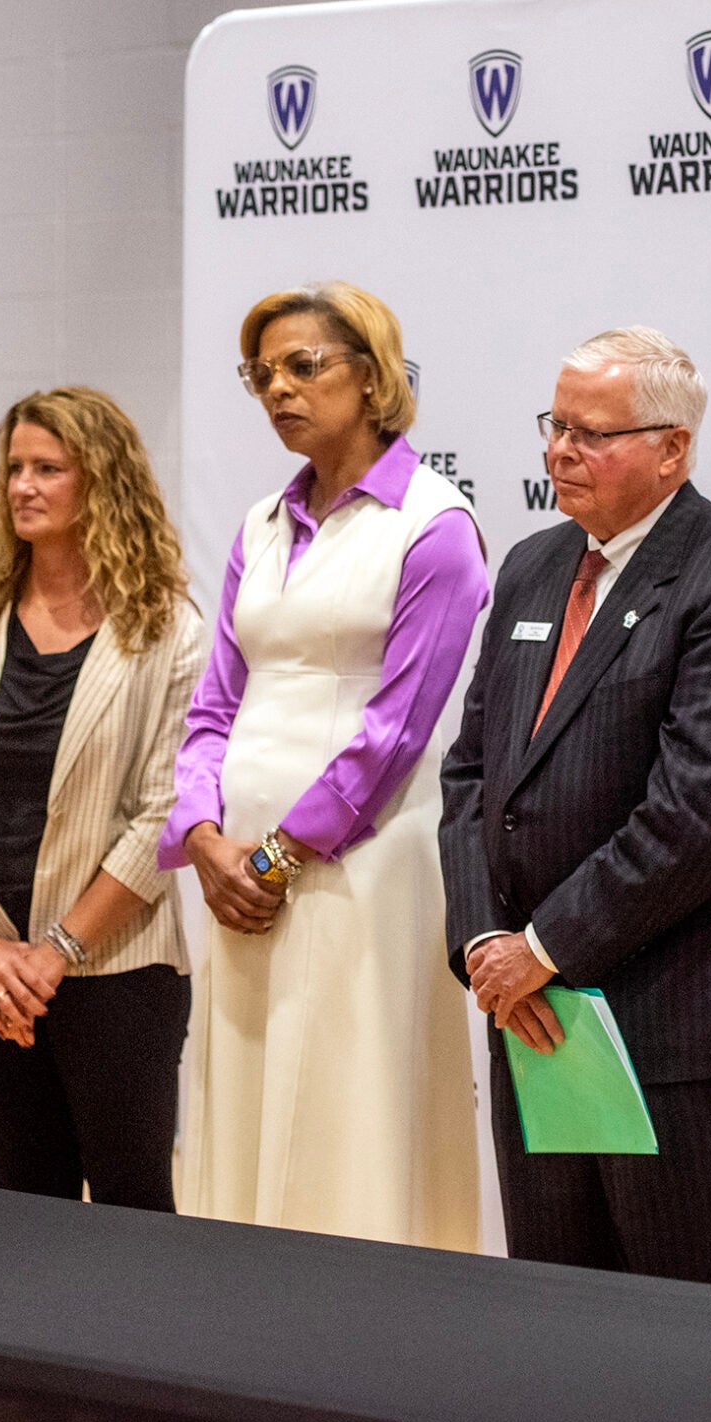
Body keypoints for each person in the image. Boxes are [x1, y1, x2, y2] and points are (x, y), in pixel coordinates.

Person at [438, 325, 711, 1290]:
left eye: (592, 434)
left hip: (674, 1024)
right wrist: (484, 942)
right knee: (557, 1314)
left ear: (672, 449)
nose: (561, 451)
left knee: (693, 1328)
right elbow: (471, 774)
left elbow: (704, 817)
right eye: (555, 426)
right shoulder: (529, 565)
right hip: (532, 1018)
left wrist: (544, 948)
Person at [161, 279, 487, 1250]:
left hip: (360, 863)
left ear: (374, 375)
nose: (277, 390)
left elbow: (396, 730)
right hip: (236, 872)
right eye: (262, 374)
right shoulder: (261, 521)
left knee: (346, 1096)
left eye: (304, 366)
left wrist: (277, 856)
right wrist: (208, 840)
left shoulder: (434, 523)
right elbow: (214, 702)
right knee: (245, 1089)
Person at [0, 388, 207, 1210]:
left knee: (131, 1211)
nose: (23, 485)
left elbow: (162, 816)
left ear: (103, 483)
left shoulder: (166, 629)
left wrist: (55, 953)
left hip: (115, 970)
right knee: (23, 1206)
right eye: (15, 467)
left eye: (48, 468)